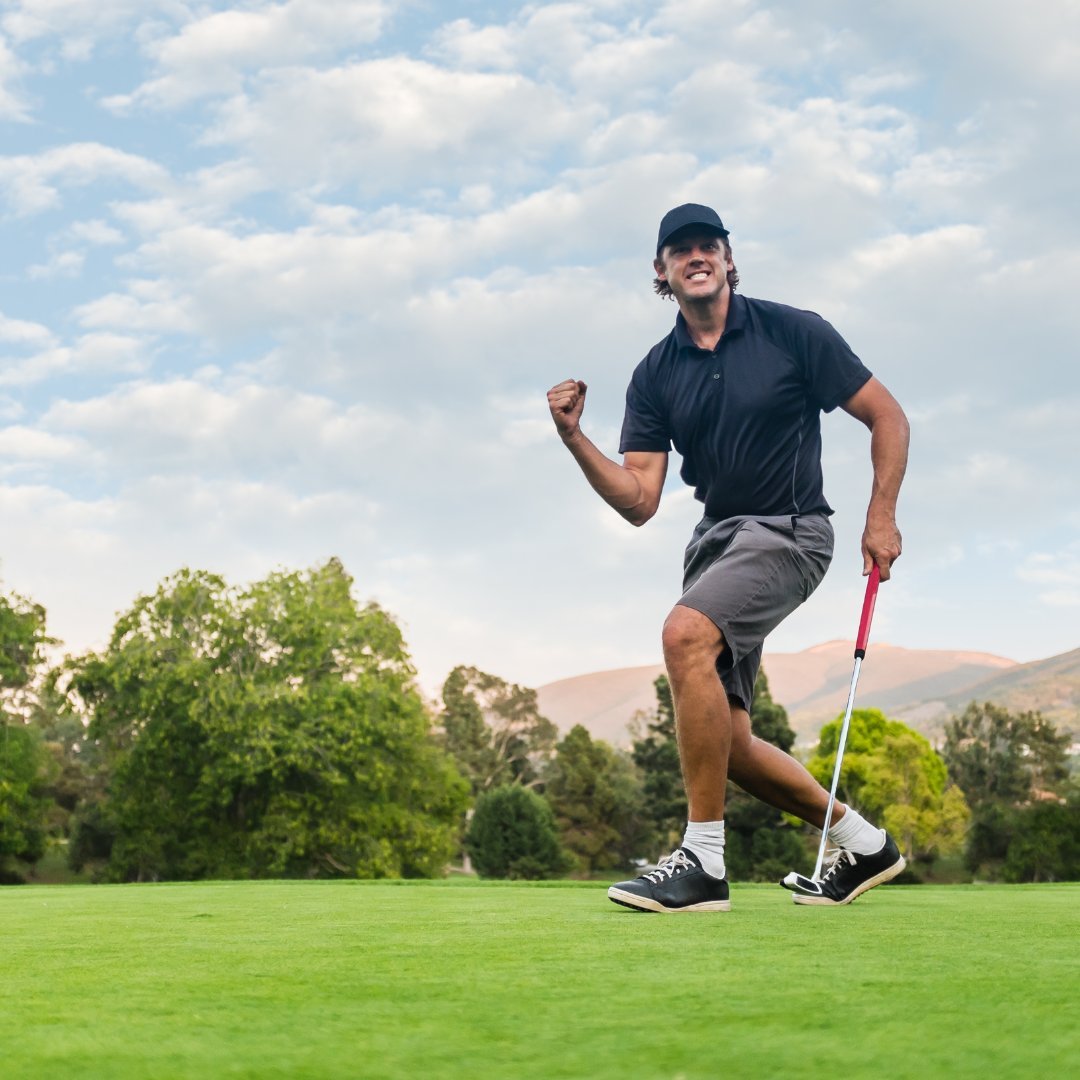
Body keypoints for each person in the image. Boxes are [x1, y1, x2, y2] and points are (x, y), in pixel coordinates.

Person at [546, 203, 910, 911]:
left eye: (708, 244)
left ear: (729, 259)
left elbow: (887, 416)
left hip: (793, 529)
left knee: (684, 633)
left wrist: (882, 513)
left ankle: (704, 863)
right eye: (680, 249)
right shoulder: (655, 373)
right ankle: (864, 843)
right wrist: (574, 440)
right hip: (716, 542)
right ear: (662, 272)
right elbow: (639, 498)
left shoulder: (793, 331)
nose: (696, 256)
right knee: (727, 742)